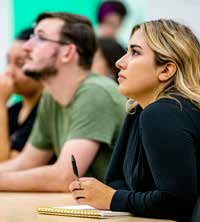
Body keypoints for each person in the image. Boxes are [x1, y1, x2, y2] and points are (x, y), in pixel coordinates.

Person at [69, 19, 200, 222]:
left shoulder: (164, 112)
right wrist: (106, 195)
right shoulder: (139, 109)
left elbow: (177, 203)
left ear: (166, 70)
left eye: (135, 52)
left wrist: (111, 198)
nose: (120, 62)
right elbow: (115, 182)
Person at [0, 12, 126, 192]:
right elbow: (27, 162)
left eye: (40, 38)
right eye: (31, 37)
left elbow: (64, 177)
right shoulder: (51, 96)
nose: (27, 46)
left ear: (68, 52)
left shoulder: (95, 92)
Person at [0, 28, 43, 161]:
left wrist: (0, 102)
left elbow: (6, 165)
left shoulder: (44, 111)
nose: (9, 71)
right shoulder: (13, 111)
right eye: (8, 62)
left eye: (20, 64)